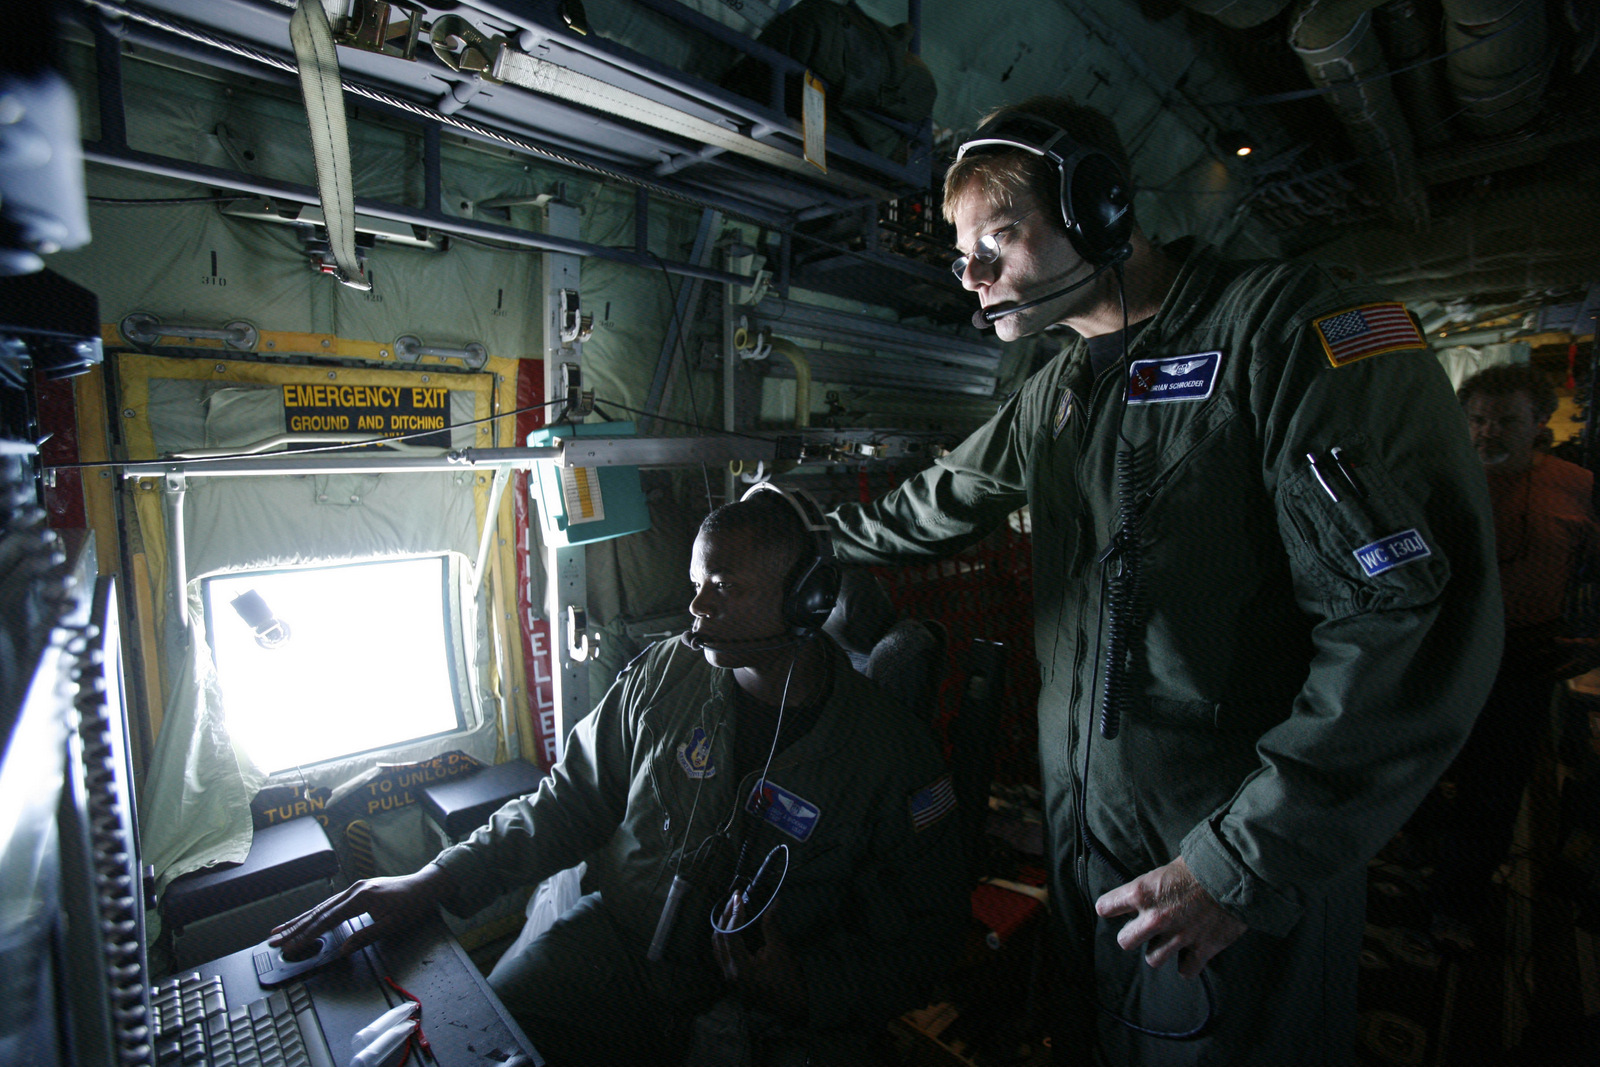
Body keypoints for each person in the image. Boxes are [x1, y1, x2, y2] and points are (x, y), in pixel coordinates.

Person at [823, 95, 1503, 1065]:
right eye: (960, 248)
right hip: (1086, 836)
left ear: (1100, 209)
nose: (970, 275)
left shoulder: (1290, 333)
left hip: (1233, 843)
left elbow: (1403, 627)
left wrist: (1242, 862)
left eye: (1001, 238)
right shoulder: (1057, 390)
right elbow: (942, 495)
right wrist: (816, 544)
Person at [270, 485, 969, 1066]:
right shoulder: (668, 672)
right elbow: (566, 802)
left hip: (781, 1007)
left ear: (805, 602)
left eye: (723, 589)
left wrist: (805, 987)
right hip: (622, 949)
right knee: (480, 1041)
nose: (696, 608)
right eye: (696, 584)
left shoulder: (889, 751)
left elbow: (931, 935)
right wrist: (434, 881)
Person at [1428, 363, 1600, 947]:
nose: (1487, 432)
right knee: (1419, 771)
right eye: (1477, 419)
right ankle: (1427, 855)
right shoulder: (1440, 480)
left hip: (1525, 660)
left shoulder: (1576, 486)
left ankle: (1455, 906)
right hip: (1443, 653)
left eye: (1505, 420)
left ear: (1539, 422)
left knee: (1494, 785)